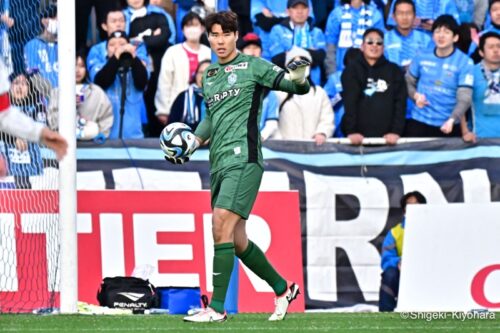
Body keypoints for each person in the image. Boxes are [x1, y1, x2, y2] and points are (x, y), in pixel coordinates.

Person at [165, 11, 310, 322]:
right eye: (214, 35)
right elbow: (210, 119)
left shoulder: (252, 65)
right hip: (217, 162)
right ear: (208, 37)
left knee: (220, 224)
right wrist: (192, 141)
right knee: (237, 238)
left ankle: (216, 308)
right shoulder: (210, 76)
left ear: (235, 36)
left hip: (244, 158)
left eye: (225, 34)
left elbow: (293, 86)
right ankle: (283, 289)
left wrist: (300, 80)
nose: (219, 40)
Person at [404, 15, 474, 138]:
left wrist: (452, 119)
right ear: (432, 36)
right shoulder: (421, 55)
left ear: (455, 37)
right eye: (437, 31)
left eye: (446, 32)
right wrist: (415, 95)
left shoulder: (464, 62)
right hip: (419, 121)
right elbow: (407, 82)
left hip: (448, 124)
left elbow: (465, 98)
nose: (441, 36)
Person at [0, 59, 67, 178]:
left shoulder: (37, 107)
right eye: (16, 83)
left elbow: (5, 115)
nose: (20, 87)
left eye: (24, 84)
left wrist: (41, 133)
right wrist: (14, 138)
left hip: (32, 170)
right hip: (8, 167)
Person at [341, 28, 407, 145]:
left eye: (379, 42)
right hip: (358, 138)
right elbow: (350, 102)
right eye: (370, 42)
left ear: (384, 48)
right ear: (362, 46)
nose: (374, 46)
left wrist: (396, 131)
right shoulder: (352, 70)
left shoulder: (394, 70)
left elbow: (400, 103)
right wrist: (351, 131)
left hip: (388, 139)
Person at [122, 0, 176, 136]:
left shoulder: (159, 14)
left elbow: (166, 36)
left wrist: (141, 40)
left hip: (158, 66)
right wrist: (152, 35)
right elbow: (121, 42)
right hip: (133, 68)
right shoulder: (121, 16)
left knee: (156, 100)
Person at [155, 12, 211, 124]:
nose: (192, 29)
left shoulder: (209, 52)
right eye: (188, 26)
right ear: (182, 30)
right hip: (177, 107)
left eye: (195, 25)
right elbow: (164, 82)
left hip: (204, 107)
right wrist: (163, 110)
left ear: (202, 28)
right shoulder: (172, 52)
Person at [93, 31, 148, 139]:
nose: (117, 48)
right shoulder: (100, 66)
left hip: (135, 138)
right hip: (106, 138)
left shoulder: (138, 66)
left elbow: (142, 82)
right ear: (106, 50)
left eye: (122, 45)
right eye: (112, 45)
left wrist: (133, 56)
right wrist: (116, 57)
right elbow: (101, 82)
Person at [274, 46, 334, 144]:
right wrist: (279, 140)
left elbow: (327, 118)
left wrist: (322, 133)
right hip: (284, 152)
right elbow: (272, 122)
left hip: (314, 151)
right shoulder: (278, 94)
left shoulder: (319, 93)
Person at [379, 191, 426, 312]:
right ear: (404, 211)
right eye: (409, 206)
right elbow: (386, 259)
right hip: (404, 274)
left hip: (428, 271)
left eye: (417, 205)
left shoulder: (435, 229)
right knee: (389, 274)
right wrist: (400, 262)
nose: (413, 209)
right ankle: (385, 317)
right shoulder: (395, 232)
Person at [268, 0, 326, 86]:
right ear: (288, 11)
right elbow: (277, 59)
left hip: (313, 83)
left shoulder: (317, 31)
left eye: (303, 8)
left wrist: (290, 52)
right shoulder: (277, 30)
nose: (300, 11)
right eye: (295, 8)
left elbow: (320, 57)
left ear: (309, 11)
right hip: (285, 83)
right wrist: (309, 52)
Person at [324, 0, 385, 75]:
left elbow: (379, 48)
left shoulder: (375, 15)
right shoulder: (336, 14)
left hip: (368, 72)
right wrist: (332, 75)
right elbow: (330, 48)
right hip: (340, 72)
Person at [238, 32, 280, 140]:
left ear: (261, 52)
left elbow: (272, 123)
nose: (252, 51)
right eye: (248, 47)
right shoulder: (231, 82)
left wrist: (260, 137)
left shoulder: (269, 91)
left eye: (256, 47)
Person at [465, 32, 500, 139]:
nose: (496, 50)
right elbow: (460, 103)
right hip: (480, 139)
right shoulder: (470, 73)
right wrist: (465, 131)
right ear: (481, 52)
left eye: (499, 46)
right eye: (490, 47)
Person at [167, 59, 210, 130]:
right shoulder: (183, 97)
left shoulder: (223, 97)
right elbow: (171, 126)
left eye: (208, 73)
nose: (203, 76)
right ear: (195, 75)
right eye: (201, 72)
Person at [23, 5, 59, 88]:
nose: (59, 23)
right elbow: (33, 74)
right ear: (44, 21)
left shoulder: (65, 46)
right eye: (56, 19)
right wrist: (50, 91)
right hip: (45, 95)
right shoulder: (32, 45)